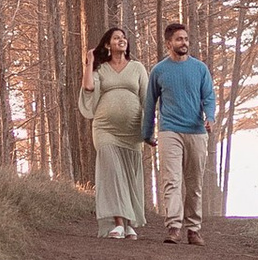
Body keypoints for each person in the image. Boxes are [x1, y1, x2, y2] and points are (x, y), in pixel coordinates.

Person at [146, 20, 217, 247]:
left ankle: (193, 229)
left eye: (186, 39)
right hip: (170, 131)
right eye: (179, 39)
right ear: (169, 43)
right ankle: (174, 227)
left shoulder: (200, 69)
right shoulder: (159, 70)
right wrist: (147, 132)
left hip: (196, 131)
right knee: (172, 181)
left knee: (194, 183)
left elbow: (209, 97)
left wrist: (210, 117)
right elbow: (150, 103)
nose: (184, 42)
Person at [80, 27, 150, 241]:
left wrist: (149, 129)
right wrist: (89, 63)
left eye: (123, 38)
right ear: (107, 45)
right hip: (105, 129)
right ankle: (118, 223)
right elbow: (89, 88)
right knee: (112, 174)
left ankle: (129, 224)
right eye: (116, 38)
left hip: (131, 131)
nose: (122, 40)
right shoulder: (101, 69)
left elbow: (147, 98)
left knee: (129, 175)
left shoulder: (137, 68)